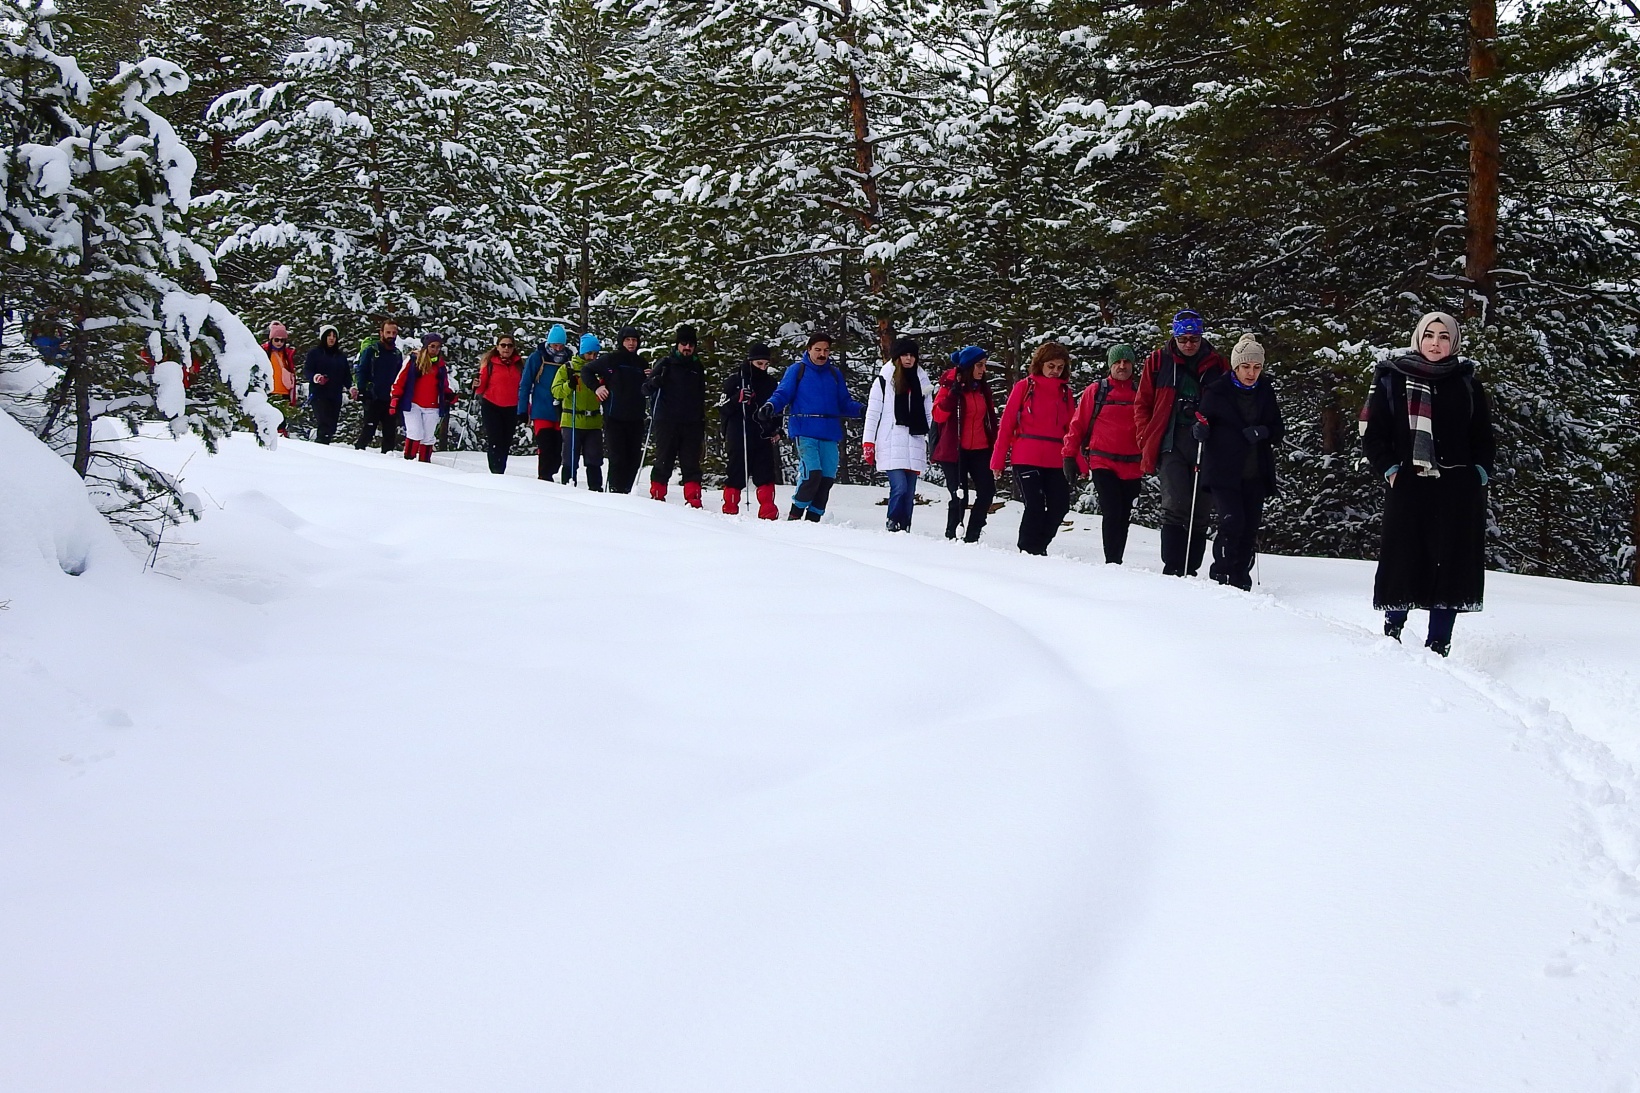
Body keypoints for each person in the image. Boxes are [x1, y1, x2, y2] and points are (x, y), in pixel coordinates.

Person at [1362, 312, 1494, 657]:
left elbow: (1482, 435)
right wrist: (1391, 469)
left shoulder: (1466, 382)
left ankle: (1439, 643)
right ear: (1418, 338)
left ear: (1454, 342)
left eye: (1444, 337)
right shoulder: (1393, 377)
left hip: (1457, 488)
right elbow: (1373, 433)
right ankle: (1393, 630)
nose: (1436, 343)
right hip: (1409, 483)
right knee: (1404, 555)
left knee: (1451, 562)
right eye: (1430, 335)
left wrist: (1479, 471)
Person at [1134, 309, 1231, 575]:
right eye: (1183, 339)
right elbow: (1142, 403)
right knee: (1175, 505)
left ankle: (1192, 568)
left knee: (1200, 509)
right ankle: (1173, 566)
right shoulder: (1157, 361)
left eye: (1194, 338)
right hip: (1171, 440)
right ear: (1175, 337)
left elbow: (1228, 404)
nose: (1189, 344)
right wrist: (1145, 436)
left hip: (1206, 442)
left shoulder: (1217, 364)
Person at [1192, 334, 1284, 591]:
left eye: (1256, 367)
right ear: (1235, 366)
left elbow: (1278, 429)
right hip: (1223, 470)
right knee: (1232, 522)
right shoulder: (1217, 390)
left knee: (1249, 527)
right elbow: (1202, 420)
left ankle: (1241, 579)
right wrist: (1199, 430)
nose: (1251, 373)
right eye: (1246, 367)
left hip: (1256, 471)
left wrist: (1262, 431)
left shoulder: (1265, 390)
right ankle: (1221, 573)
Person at [758, 332, 863, 522]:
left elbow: (844, 402)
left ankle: (813, 521)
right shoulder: (798, 370)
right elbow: (783, 393)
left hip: (830, 433)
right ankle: (794, 516)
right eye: (818, 350)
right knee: (811, 474)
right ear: (809, 350)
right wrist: (770, 406)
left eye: (826, 350)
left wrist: (862, 411)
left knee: (826, 479)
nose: (822, 354)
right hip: (805, 431)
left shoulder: (834, 373)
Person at [993, 342, 1077, 555]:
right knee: (1035, 505)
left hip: (1055, 457)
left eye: (1059, 367)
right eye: (1051, 366)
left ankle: (1038, 548)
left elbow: (1072, 431)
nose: (1055, 371)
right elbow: (1007, 423)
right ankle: (1027, 550)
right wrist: (998, 459)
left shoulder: (1065, 392)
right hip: (1027, 455)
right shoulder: (1025, 386)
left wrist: (1079, 462)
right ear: (1040, 364)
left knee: (1060, 506)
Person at [1063, 344, 1143, 563]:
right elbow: (1078, 424)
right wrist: (1069, 455)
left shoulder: (1141, 392)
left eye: (1126, 362)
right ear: (1110, 365)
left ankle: (1117, 558)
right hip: (1102, 461)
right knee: (1112, 511)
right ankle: (1112, 561)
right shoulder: (1097, 391)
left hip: (1133, 465)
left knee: (1124, 515)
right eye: (1117, 362)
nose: (1122, 366)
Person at [862, 337, 934, 532]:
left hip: (915, 439)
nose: (909, 359)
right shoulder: (884, 381)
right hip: (891, 440)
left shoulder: (922, 381)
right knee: (899, 487)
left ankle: (906, 525)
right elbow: (873, 412)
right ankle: (892, 521)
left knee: (910, 491)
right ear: (897, 357)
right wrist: (868, 442)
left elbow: (930, 414)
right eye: (905, 355)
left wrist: (933, 440)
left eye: (912, 355)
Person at [931, 346, 998, 542]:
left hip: (980, 449)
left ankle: (973, 534)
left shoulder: (982, 390)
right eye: (979, 365)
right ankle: (952, 535)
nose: (983, 369)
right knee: (959, 497)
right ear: (968, 367)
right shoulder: (949, 387)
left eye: (984, 365)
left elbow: (989, 420)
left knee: (986, 492)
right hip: (954, 450)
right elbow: (938, 415)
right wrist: (953, 394)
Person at [644, 325, 707, 507]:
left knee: (691, 463)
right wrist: (655, 382)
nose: (687, 348)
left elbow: (700, 395)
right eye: (683, 344)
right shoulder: (666, 364)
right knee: (664, 459)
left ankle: (693, 498)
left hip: (692, 422)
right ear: (677, 344)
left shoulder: (697, 367)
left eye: (690, 345)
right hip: (667, 421)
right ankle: (657, 495)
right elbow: (645, 389)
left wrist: (701, 421)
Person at [719, 341, 781, 518]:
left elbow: (777, 407)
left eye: (766, 364)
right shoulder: (735, 380)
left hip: (762, 432)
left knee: (765, 472)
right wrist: (736, 399)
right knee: (736, 471)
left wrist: (776, 429)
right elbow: (722, 408)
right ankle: (730, 507)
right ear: (750, 361)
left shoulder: (770, 383)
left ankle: (768, 509)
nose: (762, 368)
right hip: (739, 433)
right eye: (759, 364)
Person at [592, 326, 648, 493]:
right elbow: (587, 371)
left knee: (633, 459)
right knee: (617, 458)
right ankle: (615, 492)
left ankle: (626, 491)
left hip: (636, 418)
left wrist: (651, 378)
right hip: (614, 416)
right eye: (628, 340)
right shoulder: (611, 359)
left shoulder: (641, 363)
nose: (631, 343)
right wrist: (597, 388)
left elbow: (647, 387)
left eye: (634, 340)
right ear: (621, 341)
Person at [389, 332, 453, 462]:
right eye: (432, 346)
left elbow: (443, 384)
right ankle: (409, 459)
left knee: (428, 437)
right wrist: (395, 398)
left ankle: (424, 462)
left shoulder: (440, 365)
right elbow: (400, 380)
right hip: (413, 404)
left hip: (432, 406)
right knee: (415, 432)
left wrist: (449, 395)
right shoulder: (414, 361)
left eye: (438, 347)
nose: (435, 350)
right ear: (426, 347)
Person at [553, 333, 606, 489]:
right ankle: (567, 487)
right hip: (572, 420)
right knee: (570, 459)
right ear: (582, 352)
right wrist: (568, 386)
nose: (592, 357)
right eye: (589, 353)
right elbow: (555, 392)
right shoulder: (568, 368)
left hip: (593, 423)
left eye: (595, 354)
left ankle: (596, 490)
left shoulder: (600, 370)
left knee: (594, 460)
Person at [518, 325, 570, 481]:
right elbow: (525, 384)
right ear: (549, 343)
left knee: (557, 451)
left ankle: (550, 474)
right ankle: (544, 478)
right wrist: (522, 410)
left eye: (561, 345)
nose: (558, 347)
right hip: (541, 410)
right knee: (546, 447)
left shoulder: (568, 359)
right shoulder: (537, 357)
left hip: (561, 411)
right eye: (555, 344)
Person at [473, 333, 525, 474]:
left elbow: (524, 388)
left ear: (514, 348)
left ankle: (501, 470)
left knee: (506, 441)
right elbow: (480, 388)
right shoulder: (490, 363)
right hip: (492, 405)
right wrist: (476, 385)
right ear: (497, 347)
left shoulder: (519, 365)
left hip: (511, 408)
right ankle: (495, 471)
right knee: (495, 439)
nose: (506, 348)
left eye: (509, 345)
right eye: (503, 345)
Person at [353, 319, 405, 453]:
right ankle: (357, 454)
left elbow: (400, 376)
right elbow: (361, 370)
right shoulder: (371, 351)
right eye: (388, 332)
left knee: (390, 434)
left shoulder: (397, 354)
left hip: (390, 399)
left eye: (394, 333)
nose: (391, 336)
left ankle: (387, 460)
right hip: (373, 397)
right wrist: (362, 389)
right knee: (368, 430)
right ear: (381, 333)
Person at [303, 325, 351, 444]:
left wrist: (351, 388)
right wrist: (316, 377)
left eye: (334, 336)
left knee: (331, 427)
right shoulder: (314, 353)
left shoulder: (341, 357)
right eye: (329, 335)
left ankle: (323, 448)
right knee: (324, 423)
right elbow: (307, 370)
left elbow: (346, 376)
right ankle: (321, 449)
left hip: (335, 395)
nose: (331, 338)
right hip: (319, 394)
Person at [262, 322, 298, 437]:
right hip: (270, 392)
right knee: (268, 422)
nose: (279, 343)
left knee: (281, 423)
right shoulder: (264, 352)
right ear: (271, 339)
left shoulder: (287, 354)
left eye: (282, 340)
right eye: (276, 340)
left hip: (284, 392)